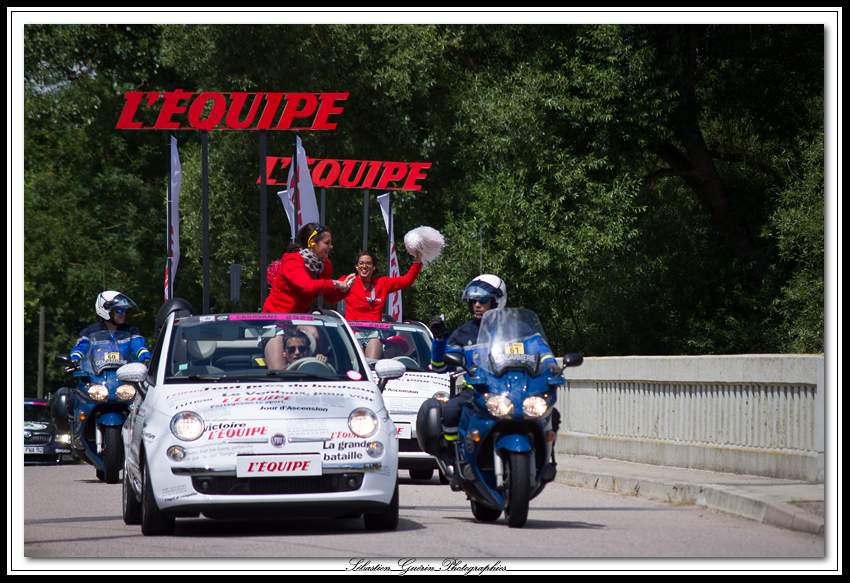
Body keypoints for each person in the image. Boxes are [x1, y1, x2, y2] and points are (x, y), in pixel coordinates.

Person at [67, 291, 151, 421]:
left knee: (149, 400)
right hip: (98, 379)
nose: (123, 313)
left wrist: (146, 359)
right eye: (118, 310)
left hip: (124, 380)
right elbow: (81, 348)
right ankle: (73, 434)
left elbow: (139, 347)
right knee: (72, 400)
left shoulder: (131, 330)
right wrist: (74, 360)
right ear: (106, 311)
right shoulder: (90, 331)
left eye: (124, 310)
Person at [262, 223, 356, 314]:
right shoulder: (292, 261)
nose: (331, 246)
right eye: (327, 243)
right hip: (275, 319)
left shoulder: (325, 265)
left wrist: (346, 287)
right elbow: (309, 286)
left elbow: (330, 297)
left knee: (320, 330)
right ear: (313, 243)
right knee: (313, 330)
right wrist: (336, 283)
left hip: (299, 318)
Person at [341, 250, 423, 321]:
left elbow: (406, 281)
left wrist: (418, 260)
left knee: (399, 339)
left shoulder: (383, 284)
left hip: (374, 333)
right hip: (353, 334)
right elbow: (329, 286)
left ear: (374, 267)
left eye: (368, 263)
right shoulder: (348, 281)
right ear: (357, 266)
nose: (364, 266)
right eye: (361, 263)